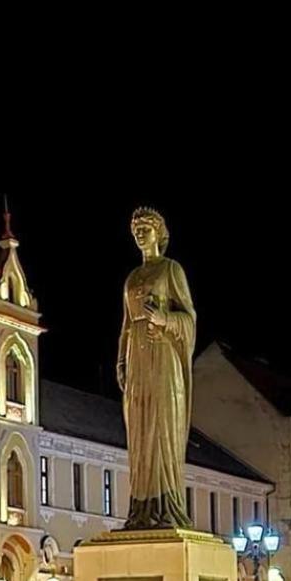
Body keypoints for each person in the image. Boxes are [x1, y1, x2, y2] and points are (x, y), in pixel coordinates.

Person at [116, 207, 196, 529]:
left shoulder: (170, 270)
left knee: (161, 427)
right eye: (135, 228)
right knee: (139, 431)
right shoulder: (132, 278)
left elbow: (189, 318)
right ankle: (142, 506)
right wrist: (121, 359)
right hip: (137, 359)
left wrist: (165, 320)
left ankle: (166, 505)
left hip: (164, 358)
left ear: (158, 233)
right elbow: (125, 325)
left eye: (145, 227)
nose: (139, 233)